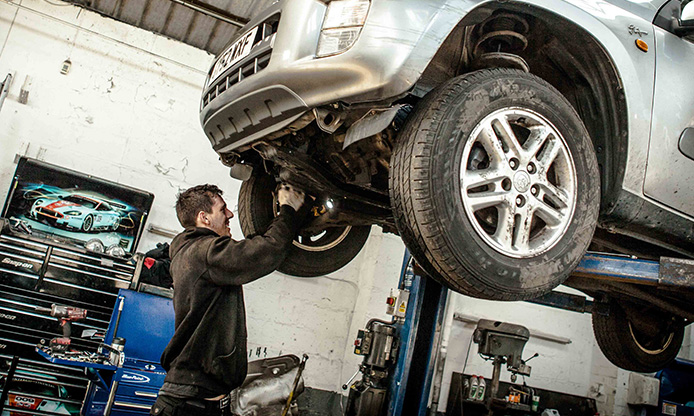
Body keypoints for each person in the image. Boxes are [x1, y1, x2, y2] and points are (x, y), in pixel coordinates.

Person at [150, 183, 305, 416]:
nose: (230, 214)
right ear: (204, 218)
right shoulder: (205, 252)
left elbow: (252, 246)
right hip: (189, 404)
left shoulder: (192, 252)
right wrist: (288, 210)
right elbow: (266, 251)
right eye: (222, 210)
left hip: (200, 400)